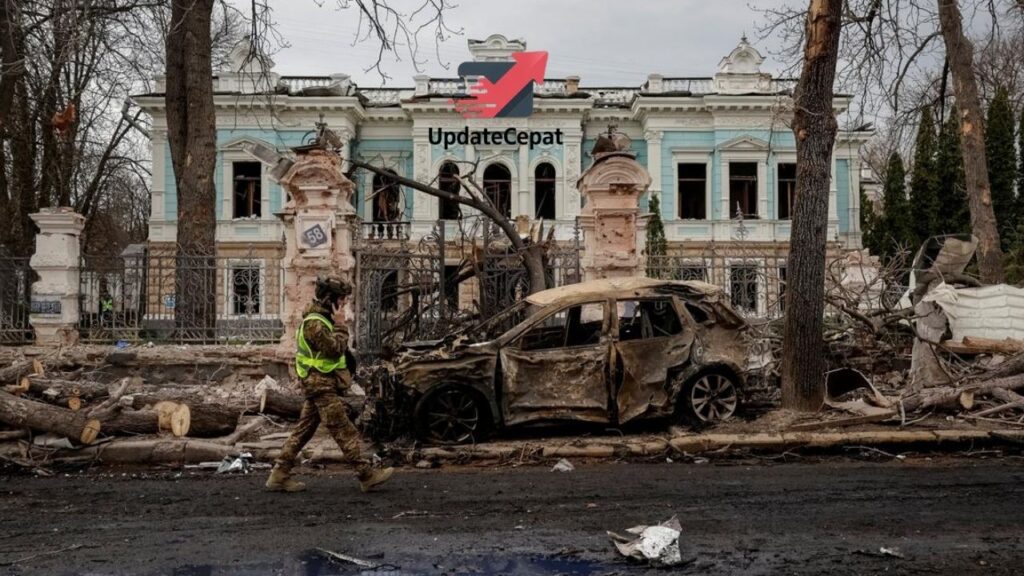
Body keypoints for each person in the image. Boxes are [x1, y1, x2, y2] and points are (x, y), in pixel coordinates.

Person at [266, 276, 393, 493]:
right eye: (341, 299)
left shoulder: (322, 319)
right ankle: (366, 475)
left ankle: (279, 474)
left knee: (303, 431)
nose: (344, 303)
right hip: (320, 384)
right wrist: (341, 325)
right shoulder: (315, 323)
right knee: (343, 430)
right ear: (329, 299)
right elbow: (334, 349)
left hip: (320, 383)